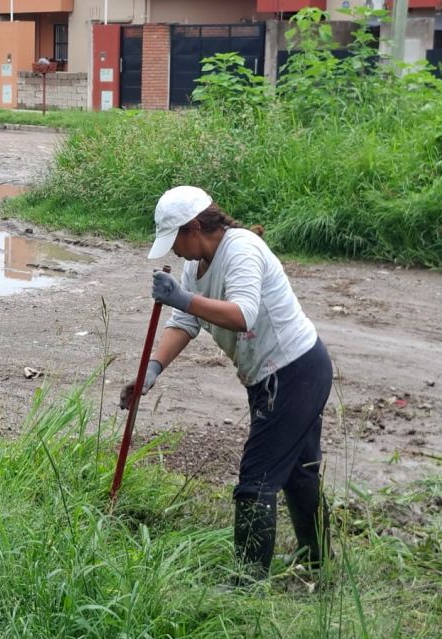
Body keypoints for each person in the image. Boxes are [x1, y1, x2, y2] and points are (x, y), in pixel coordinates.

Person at [120, 185, 334, 584]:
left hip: (293, 371)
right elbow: (186, 322)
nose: (174, 251)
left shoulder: (242, 249)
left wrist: (182, 299)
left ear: (195, 226)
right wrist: (151, 369)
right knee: (301, 472)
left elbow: (242, 315)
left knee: (257, 479)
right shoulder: (194, 266)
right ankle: (319, 562)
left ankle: (247, 584)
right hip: (275, 375)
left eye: (176, 240)